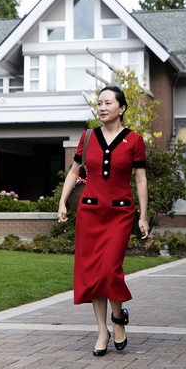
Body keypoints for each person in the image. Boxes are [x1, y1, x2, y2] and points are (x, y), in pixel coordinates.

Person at [58, 86, 150, 357]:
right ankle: (102, 331)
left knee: (110, 269)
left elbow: (141, 180)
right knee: (93, 273)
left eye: (108, 103)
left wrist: (143, 216)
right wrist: (62, 202)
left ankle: (118, 318)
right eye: (99, 103)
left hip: (120, 213)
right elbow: (74, 172)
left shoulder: (134, 140)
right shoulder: (88, 137)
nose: (102, 107)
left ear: (121, 108)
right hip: (90, 213)